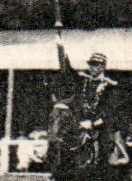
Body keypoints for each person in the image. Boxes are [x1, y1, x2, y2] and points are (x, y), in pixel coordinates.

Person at [54, 34, 128, 171]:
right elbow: (68, 70)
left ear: (102, 67)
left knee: (104, 146)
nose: (92, 68)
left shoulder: (110, 86)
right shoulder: (84, 79)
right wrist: (60, 49)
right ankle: (58, 176)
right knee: (63, 142)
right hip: (81, 121)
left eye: (96, 65)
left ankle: (104, 179)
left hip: (100, 123)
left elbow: (109, 109)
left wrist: (93, 123)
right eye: (91, 65)